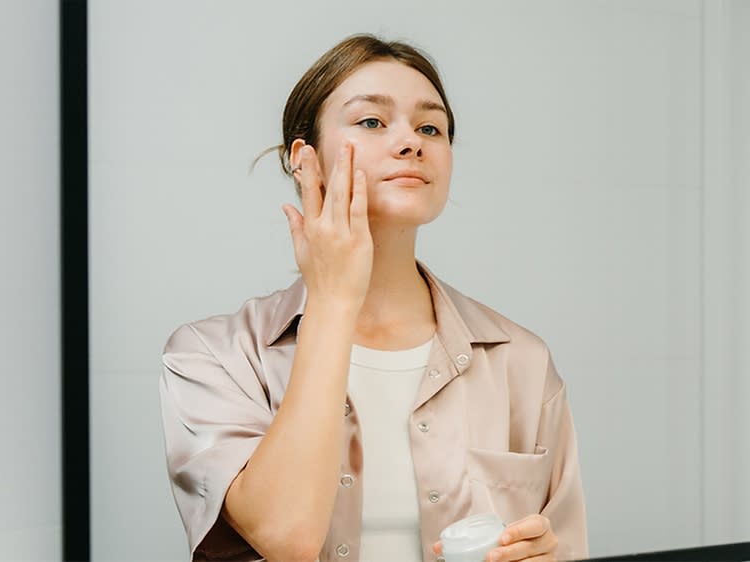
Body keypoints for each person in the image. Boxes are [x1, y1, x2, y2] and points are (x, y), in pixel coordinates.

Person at [159, 34, 588, 562]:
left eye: (431, 127)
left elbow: (565, 547)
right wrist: (335, 299)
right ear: (305, 160)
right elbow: (286, 537)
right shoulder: (213, 357)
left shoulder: (520, 361)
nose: (412, 142)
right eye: (372, 121)